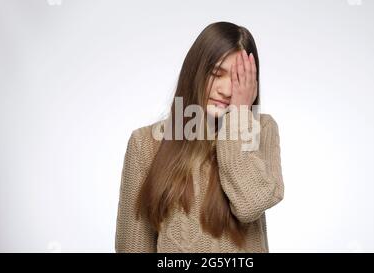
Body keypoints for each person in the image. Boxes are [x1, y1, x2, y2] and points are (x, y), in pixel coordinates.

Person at [115, 21, 284, 253]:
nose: (225, 90)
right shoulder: (145, 143)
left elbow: (250, 204)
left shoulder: (262, 129)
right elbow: (132, 247)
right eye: (217, 74)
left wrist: (239, 116)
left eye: (237, 79)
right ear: (196, 72)